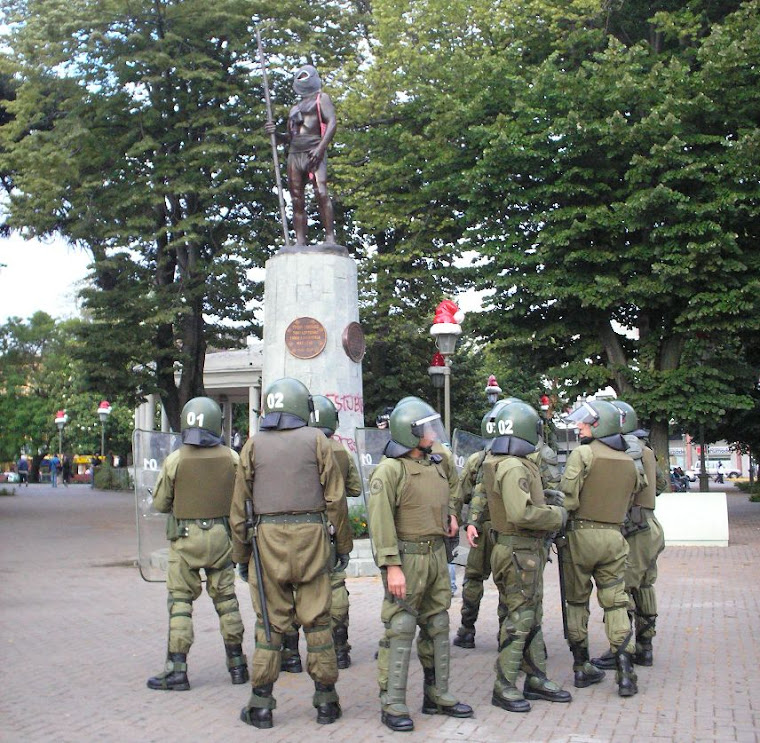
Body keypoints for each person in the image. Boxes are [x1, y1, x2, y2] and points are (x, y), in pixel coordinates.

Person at [230, 378, 352, 729]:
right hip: (313, 537)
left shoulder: (253, 445)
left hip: (267, 541)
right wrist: (341, 546)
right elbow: (336, 500)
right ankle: (327, 701)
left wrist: (241, 555)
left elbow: (240, 508)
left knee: (270, 624)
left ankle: (261, 703)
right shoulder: (318, 440)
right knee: (318, 621)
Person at [368, 397, 473, 732]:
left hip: (436, 554)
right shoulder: (390, 470)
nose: (432, 432)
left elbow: (453, 487)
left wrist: (453, 513)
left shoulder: (437, 462)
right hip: (407, 558)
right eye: (426, 427)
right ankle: (393, 701)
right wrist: (391, 566)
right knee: (400, 628)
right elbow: (380, 522)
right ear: (410, 433)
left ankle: (437, 694)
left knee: (438, 625)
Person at [146, 397, 248, 691]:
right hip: (221, 538)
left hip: (185, 539)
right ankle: (237, 665)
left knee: (180, 603)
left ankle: (177, 670)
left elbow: (161, 503)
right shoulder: (232, 457)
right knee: (227, 602)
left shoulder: (175, 459)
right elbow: (242, 499)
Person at [476, 401, 571, 713]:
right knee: (520, 619)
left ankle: (535, 676)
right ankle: (504, 685)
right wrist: (556, 516)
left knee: (529, 615)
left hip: (518, 550)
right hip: (520, 550)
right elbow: (522, 512)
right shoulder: (515, 466)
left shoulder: (501, 460)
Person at [559, 399, 645, 698]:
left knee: (577, 602)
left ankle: (581, 666)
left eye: (586, 423)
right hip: (614, 537)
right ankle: (625, 671)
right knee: (616, 601)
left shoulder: (583, 454)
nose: (580, 426)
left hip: (580, 536)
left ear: (599, 426)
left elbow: (568, 499)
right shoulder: (629, 461)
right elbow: (636, 494)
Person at [592, 401, 666, 670]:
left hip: (633, 528)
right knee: (645, 585)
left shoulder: (621, 451)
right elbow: (661, 485)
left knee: (620, 589)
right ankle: (646, 647)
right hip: (650, 525)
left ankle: (622, 650)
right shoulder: (646, 450)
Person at [265, 65, 337, 246]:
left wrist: (320, 148)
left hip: (314, 150)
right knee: (296, 198)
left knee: (321, 192)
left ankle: (329, 237)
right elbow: (291, 137)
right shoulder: (294, 108)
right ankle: (300, 241)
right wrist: (276, 134)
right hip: (295, 153)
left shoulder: (322, 99)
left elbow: (332, 123)